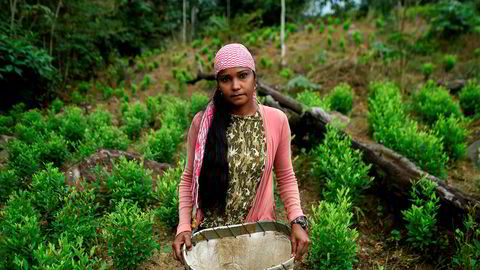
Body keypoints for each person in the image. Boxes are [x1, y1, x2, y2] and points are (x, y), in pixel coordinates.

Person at [172, 43, 309, 265]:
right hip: (211, 240)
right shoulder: (203, 124)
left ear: (255, 78)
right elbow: (189, 178)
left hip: (256, 237)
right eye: (226, 79)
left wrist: (297, 220)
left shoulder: (276, 121)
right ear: (218, 85)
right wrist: (184, 226)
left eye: (243, 76)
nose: (235, 85)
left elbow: (286, 176)